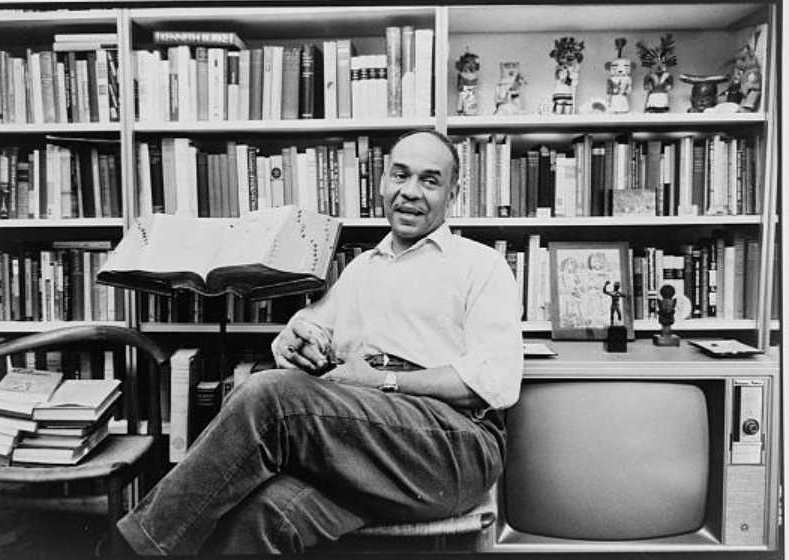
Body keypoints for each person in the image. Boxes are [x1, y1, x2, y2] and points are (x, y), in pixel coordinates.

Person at [116, 130, 524, 555]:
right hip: (367, 445)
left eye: (429, 180)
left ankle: (128, 551)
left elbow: (493, 381)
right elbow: (308, 329)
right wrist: (294, 340)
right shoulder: (363, 268)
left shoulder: (481, 264)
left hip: (452, 448)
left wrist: (383, 382)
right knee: (261, 517)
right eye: (400, 175)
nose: (409, 192)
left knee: (269, 396)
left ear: (452, 192)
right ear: (382, 182)